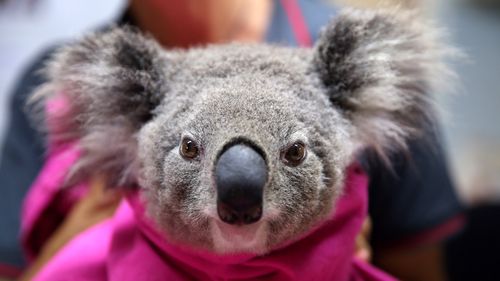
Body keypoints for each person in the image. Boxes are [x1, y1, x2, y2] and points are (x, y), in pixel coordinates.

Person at [0, 1, 463, 280]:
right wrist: (79, 241)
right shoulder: (74, 86)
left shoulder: (355, 63)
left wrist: (338, 258)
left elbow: (418, 272)